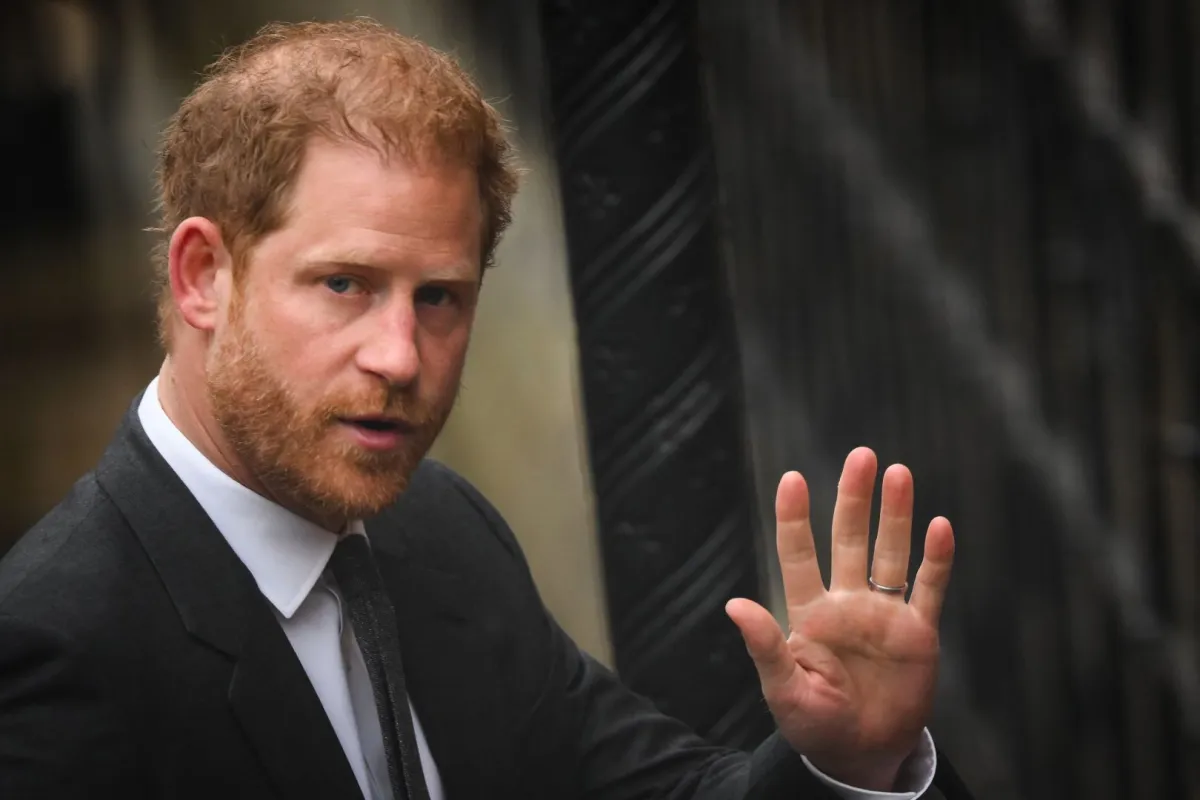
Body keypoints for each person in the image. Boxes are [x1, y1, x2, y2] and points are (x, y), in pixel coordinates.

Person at [0, 19, 971, 800]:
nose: (399, 355)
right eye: (344, 283)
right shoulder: (54, 651)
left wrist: (851, 761)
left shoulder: (435, 529)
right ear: (204, 274)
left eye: (440, 297)